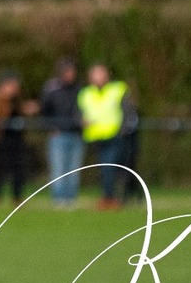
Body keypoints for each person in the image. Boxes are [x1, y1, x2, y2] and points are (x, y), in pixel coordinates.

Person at [78, 63, 136, 210]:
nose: (98, 77)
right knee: (105, 170)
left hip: (115, 137)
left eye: (101, 74)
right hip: (96, 138)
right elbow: (78, 113)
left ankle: (111, 198)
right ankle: (110, 197)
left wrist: (123, 131)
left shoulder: (118, 89)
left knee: (111, 168)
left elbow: (128, 111)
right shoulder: (85, 93)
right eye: (95, 74)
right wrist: (81, 121)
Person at [38, 58, 83, 208]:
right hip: (58, 135)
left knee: (74, 169)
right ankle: (58, 199)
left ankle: (70, 199)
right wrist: (51, 127)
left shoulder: (79, 90)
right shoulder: (52, 89)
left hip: (76, 134)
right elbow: (44, 112)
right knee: (59, 169)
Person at [0, 73, 31, 205]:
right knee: (1, 169)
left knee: (18, 169)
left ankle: (17, 197)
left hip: (17, 139)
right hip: (3, 139)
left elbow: (22, 113)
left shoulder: (18, 99)